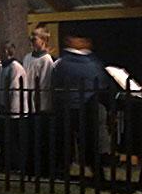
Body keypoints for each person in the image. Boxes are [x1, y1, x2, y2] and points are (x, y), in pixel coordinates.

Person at [52, 34, 109, 181]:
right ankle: (97, 171)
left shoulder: (63, 63)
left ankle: (63, 169)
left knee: (66, 141)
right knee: (90, 141)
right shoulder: (93, 63)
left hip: (67, 106)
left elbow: (55, 82)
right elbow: (101, 83)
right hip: (88, 106)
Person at [23, 26, 54, 176]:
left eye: (34, 39)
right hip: (28, 102)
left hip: (40, 104)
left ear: (43, 41)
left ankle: (42, 168)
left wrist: (40, 102)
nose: (32, 41)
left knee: (40, 137)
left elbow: (44, 83)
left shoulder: (46, 60)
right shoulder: (28, 57)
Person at [0, 41, 29, 172]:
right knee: (6, 139)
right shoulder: (3, 67)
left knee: (14, 140)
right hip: (5, 109)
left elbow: (14, 89)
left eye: (1, 51)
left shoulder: (15, 67)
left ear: (6, 52)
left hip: (15, 111)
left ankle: (16, 164)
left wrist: (8, 106)